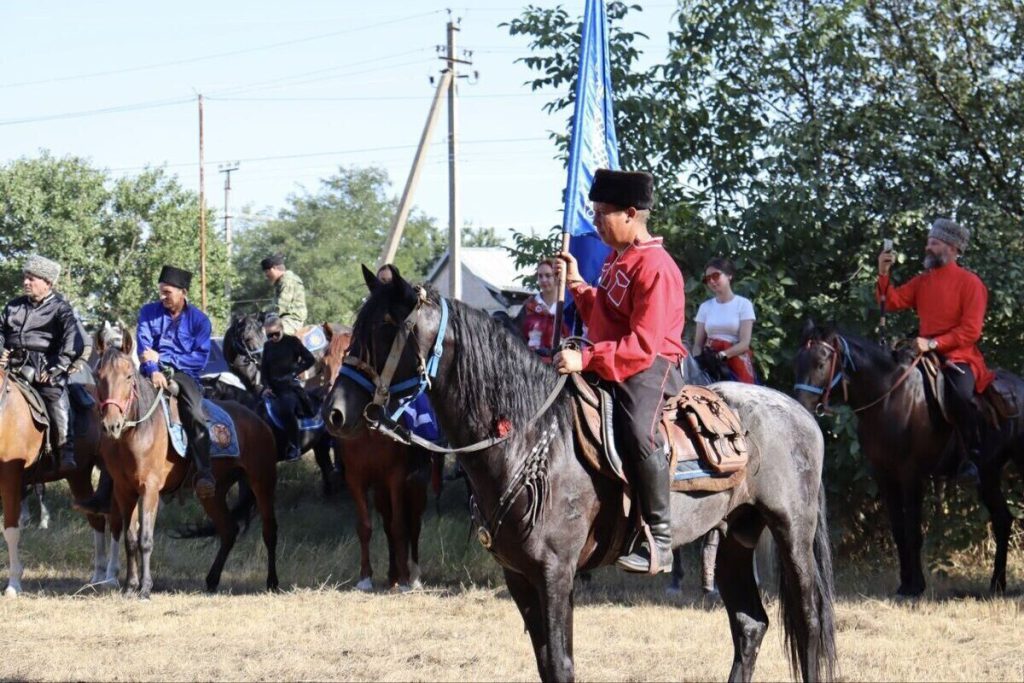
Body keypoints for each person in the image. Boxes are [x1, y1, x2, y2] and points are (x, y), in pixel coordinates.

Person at [555, 169, 686, 574]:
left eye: (601, 215)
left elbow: (643, 345)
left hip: (651, 365)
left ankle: (661, 541)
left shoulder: (656, 267)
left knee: (637, 432)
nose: (595, 223)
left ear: (631, 213)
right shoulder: (618, 259)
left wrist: (588, 360)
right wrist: (578, 285)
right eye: (593, 214)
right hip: (615, 357)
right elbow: (605, 320)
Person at [877, 217, 994, 483]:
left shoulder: (971, 283)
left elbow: (971, 331)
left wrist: (933, 343)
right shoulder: (922, 281)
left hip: (959, 356)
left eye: (935, 243)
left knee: (962, 395)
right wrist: (883, 273)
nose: (928, 247)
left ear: (952, 249)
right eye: (929, 242)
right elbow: (891, 302)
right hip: (922, 353)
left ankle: (971, 458)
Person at [138, 265, 216, 498]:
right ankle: (106, 487)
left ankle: (204, 472)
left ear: (183, 292)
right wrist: (153, 369)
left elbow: (199, 359)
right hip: (150, 372)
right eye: (160, 292)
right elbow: (144, 346)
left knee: (195, 412)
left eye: (167, 292)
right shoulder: (148, 312)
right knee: (120, 407)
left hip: (185, 374)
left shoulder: (200, 321)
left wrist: (163, 358)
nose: (162, 297)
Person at [0, 255, 83, 472]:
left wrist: (60, 365)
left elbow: (73, 339)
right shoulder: (13, 306)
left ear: (48, 283)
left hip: (44, 367)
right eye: (25, 277)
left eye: (32, 278)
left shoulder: (61, 308)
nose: (26, 282)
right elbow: (0, 332)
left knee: (54, 394)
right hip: (12, 364)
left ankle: (65, 450)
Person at [260, 314, 316, 461]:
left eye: (275, 334)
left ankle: (295, 446)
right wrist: (265, 387)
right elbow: (264, 369)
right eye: (269, 335)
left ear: (282, 329)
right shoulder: (267, 346)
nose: (272, 337)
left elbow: (310, 359)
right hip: (271, 388)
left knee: (286, 409)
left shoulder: (292, 342)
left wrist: (296, 371)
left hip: (289, 388)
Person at [693, 257, 757, 384]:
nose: (711, 281)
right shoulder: (705, 307)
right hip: (709, 358)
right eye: (707, 278)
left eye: (715, 276)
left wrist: (722, 355)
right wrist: (697, 361)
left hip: (734, 359)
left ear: (729, 276)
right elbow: (697, 345)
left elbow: (744, 343)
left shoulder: (744, 304)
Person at [513, 258, 569, 359]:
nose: (543, 280)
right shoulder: (530, 306)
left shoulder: (568, 306)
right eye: (540, 276)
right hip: (532, 364)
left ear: (557, 277)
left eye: (548, 275)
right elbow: (518, 336)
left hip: (561, 364)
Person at [261, 254, 307, 336]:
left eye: (267, 271)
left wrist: (262, 313)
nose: (266, 275)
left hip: (291, 320)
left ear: (274, 268)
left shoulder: (287, 280)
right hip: (282, 319)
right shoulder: (280, 282)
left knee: (266, 332)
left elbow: (281, 306)